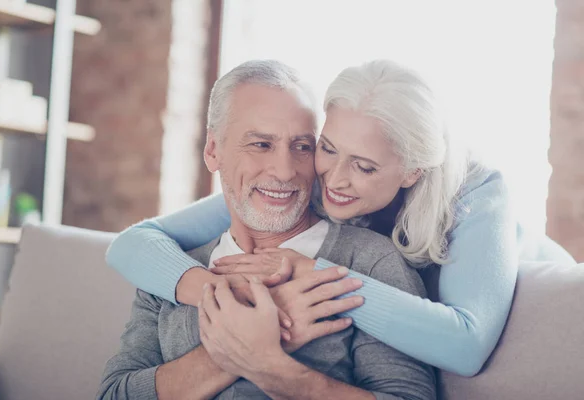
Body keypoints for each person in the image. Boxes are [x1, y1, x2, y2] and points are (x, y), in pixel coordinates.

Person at [106, 58, 576, 377]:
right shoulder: (311, 174)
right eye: (327, 147)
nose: (334, 179)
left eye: (365, 167)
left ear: (412, 170)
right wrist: (210, 289)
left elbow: (466, 347)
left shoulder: (476, 193)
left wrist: (317, 280)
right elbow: (133, 243)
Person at [97, 59, 436, 400]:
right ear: (213, 151)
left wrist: (274, 368)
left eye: (302, 147)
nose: (285, 171)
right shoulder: (170, 273)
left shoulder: (369, 262)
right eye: (261, 145)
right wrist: (242, 345)